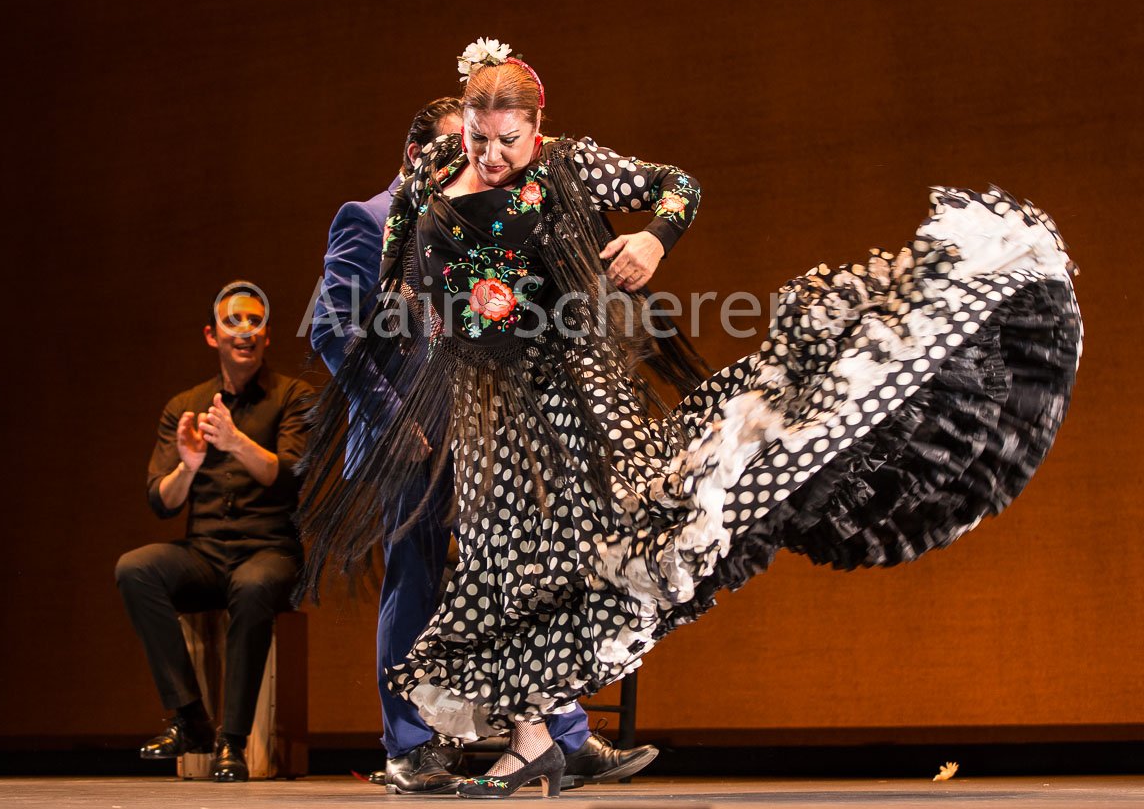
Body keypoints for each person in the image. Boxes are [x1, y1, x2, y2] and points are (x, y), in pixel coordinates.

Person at [298, 39, 1082, 800]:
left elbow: (678, 186)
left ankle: (829, 425)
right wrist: (413, 313)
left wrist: (653, 237)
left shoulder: (568, 164)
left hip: (561, 392)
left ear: (536, 128)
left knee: (607, 539)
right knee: (503, 570)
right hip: (475, 405)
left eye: (510, 140)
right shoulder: (433, 171)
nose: (494, 156)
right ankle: (519, 742)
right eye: (480, 138)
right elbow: (390, 267)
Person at [310, 98, 658, 794]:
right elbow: (331, 327)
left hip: (484, 424)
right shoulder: (371, 218)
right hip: (409, 434)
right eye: (459, 148)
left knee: (521, 572)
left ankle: (561, 737)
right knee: (415, 579)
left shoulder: (480, 208)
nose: (478, 164)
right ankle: (410, 747)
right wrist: (390, 417)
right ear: (418, 154)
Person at [116, 282, 315, 782]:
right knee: (136, 568)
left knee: (252, 585)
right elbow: (160, 502)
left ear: (267, 334)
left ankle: (233, 742)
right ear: (212, 335)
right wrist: (188, 466)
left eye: (254, 321)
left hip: (270, 552)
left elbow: (291, 475)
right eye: (233, 321)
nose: (244, 331)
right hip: (205, 554)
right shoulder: (185, 404)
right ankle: (190, 720)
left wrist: (236, 442)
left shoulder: (293, 396)